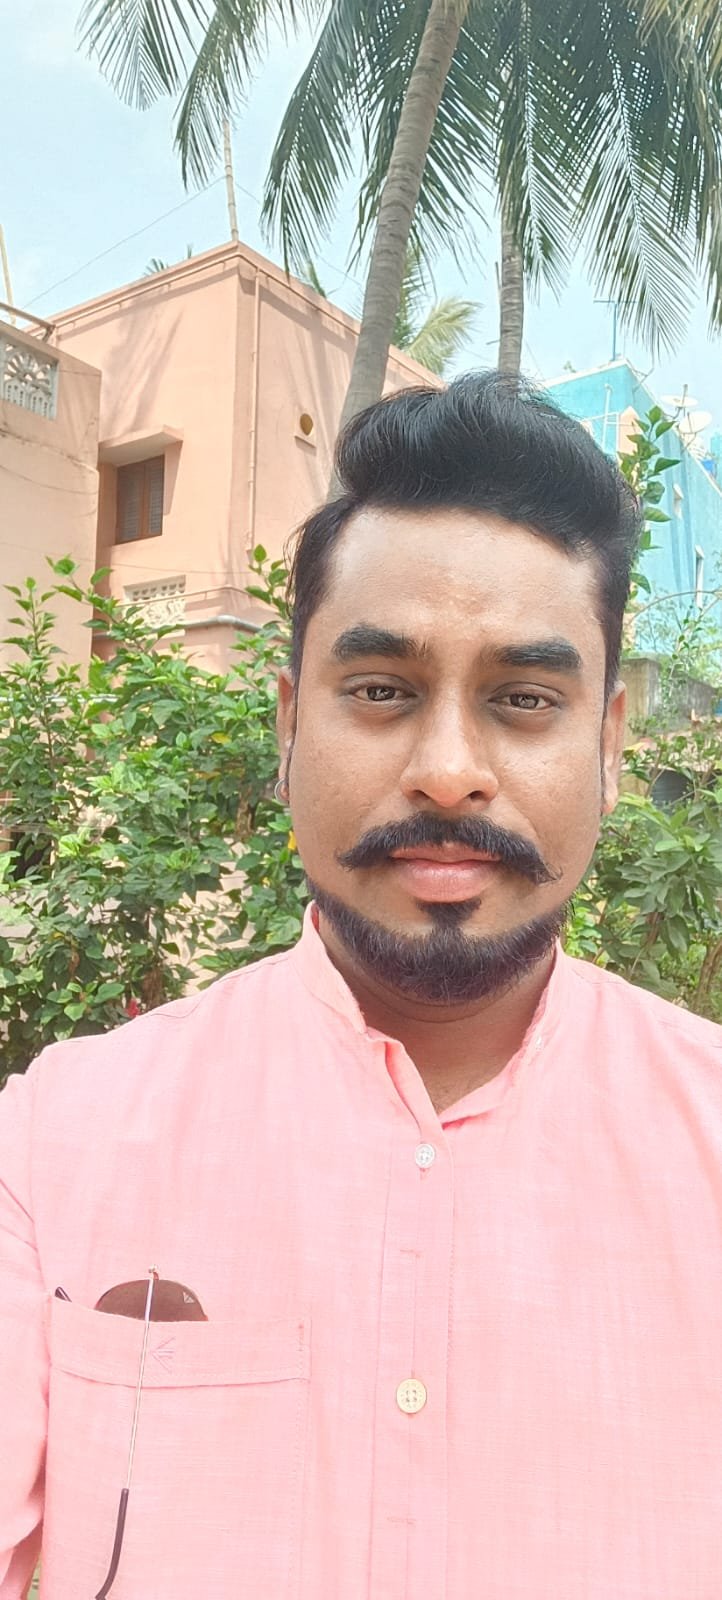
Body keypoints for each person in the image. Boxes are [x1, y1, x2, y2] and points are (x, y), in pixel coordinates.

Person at [1, 372, 721, 1600]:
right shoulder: (53, 1146)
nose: (446, 771)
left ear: (606, 748)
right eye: (381, 690)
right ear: (288, 727)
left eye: (523, 700)